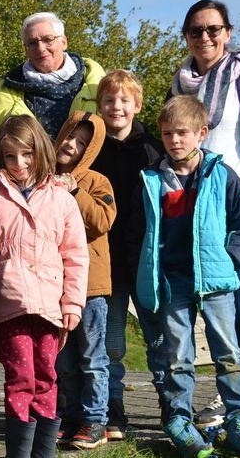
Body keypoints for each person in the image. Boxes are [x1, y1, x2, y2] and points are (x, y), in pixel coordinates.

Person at [169, 0, 240, 454]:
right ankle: (228, 399)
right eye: (196, 31)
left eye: (213, 29)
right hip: (192, 213)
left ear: (228, 32)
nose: (205, 38)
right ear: (186, 36)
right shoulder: (179, 85)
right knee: (209, 318)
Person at [127, 96, 240, 458]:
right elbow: (137, 231)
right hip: (172, 283)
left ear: (201, 134)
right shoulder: (151, 181)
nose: (175, 140)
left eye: (183, 133)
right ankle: (179, 420)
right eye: (167, 133)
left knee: (229, 353)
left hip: (215, 282)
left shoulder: (222, 175)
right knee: (177, 356)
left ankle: (239, 420)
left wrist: (231, 259)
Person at [0, 114, 89, 458]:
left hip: (50, 307)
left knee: (46, 377)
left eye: (27, 155)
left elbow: (75, 256)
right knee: (21, 377)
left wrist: (73, 304)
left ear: (40, 152)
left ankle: (44, 451)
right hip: (9, 306)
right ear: (0, 157)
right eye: (10, 157)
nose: (19, 164)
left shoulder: (61, 200)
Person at [90, 70, 167, 440]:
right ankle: (113, 411)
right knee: (112, 343)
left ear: (137, 105)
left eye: (124, 100)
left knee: (160, 340)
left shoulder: (153, 149)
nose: (116, 107)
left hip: (149, 260)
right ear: (99, 105)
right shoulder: (92, 149)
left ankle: (172, 408)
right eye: (109, 100)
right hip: (110, 261)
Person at [52, 111, 117, 450]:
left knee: (92, 357)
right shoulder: (44, 176)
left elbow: (104, 220)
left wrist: (75, 191)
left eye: (81, 143)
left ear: (89, 151)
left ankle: (95, 420)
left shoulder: (96, 182)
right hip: (55, 284)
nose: (71, 145)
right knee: (64, 359)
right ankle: (71, 416)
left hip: (90, 286)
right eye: (68, 136)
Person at [0, 11, 106, 169]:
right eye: (32, 43)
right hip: (31, 184)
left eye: (48, 39)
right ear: (25, 48)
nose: (41, 48)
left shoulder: (94, 80)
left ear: (64, 42)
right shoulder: (8, 89)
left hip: (87, 179)